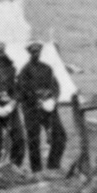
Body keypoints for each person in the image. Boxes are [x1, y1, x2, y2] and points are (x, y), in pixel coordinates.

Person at [15, 41, 65, 172]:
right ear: (29, 53)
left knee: (59, 135)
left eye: (38, 51)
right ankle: (36, 169)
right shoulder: (25, 71)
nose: (36, 54)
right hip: (32, 109)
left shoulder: (47, 68)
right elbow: (22, 91)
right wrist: (36, 99)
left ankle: (53, 165)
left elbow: (55, 86)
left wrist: (53, 98)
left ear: (40, 52)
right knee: (34, 139)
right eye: (33, 52)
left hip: (48, 107)